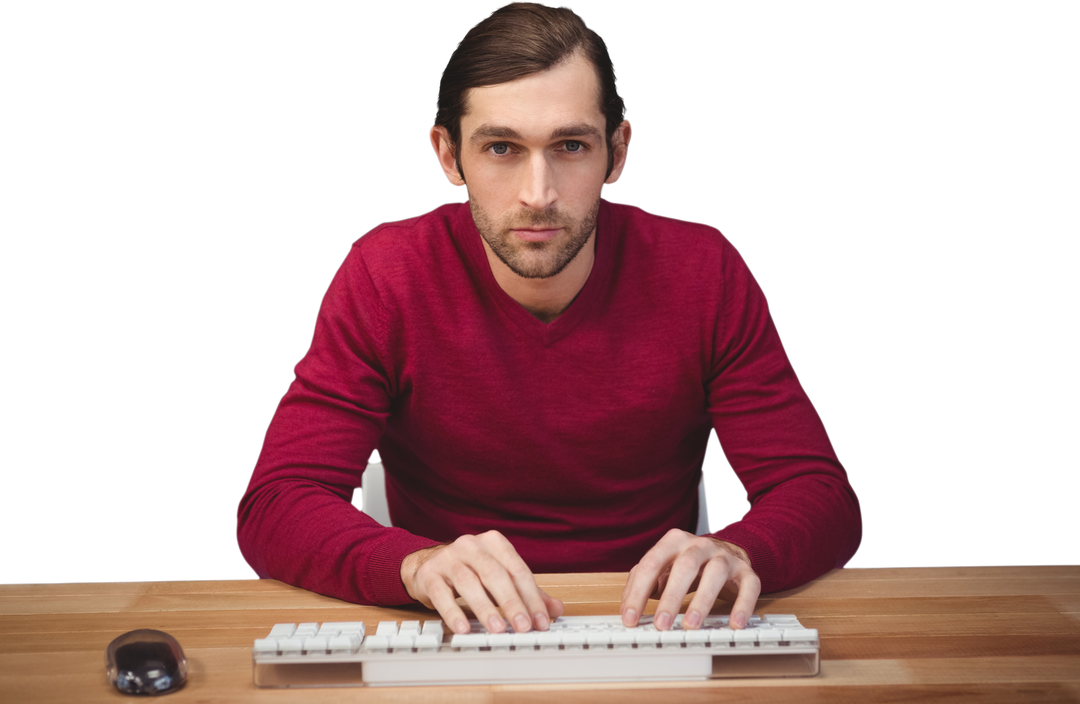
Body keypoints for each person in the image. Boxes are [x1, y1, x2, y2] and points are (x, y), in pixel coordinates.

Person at [234, 0, 864, 638]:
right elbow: (275, 503)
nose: (539, 192)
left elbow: (818, 491)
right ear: (447, 156)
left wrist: (740, 550)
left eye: (570, 145)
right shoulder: (385, 274)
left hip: (655, 627)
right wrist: (413, 566)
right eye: (502, 147)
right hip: (453, 630)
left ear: (618, 152)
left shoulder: (705, 270)